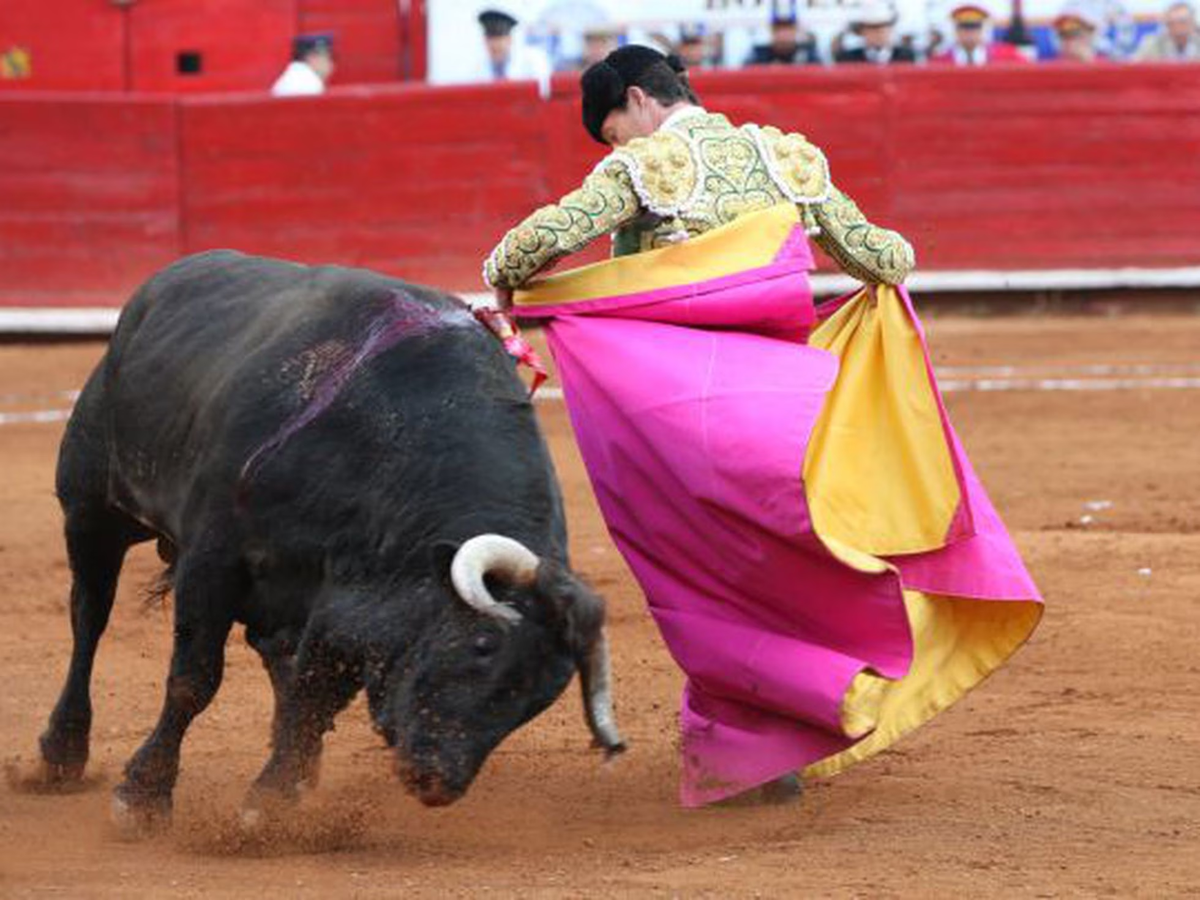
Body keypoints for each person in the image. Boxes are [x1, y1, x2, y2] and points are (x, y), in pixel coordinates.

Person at [481, 45, 1042, 807]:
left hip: (684, 422)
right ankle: (787, 730)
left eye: (614, 131)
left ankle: (758, 747)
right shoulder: (788, 159)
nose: (619, 147)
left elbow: (527, 248)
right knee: (781, 566)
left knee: (705, 577)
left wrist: (514, 287)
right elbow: (887, 257)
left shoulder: (649, 169)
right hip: (786, 413)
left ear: (639, 100)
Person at [472, 9, 552, 94]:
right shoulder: (476, 70)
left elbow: (544, 93)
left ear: (509, 40)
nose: (494, 45)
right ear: (485, 41)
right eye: (490, 40)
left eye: (499, 40)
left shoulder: (533, 60)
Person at [930, 4, 1029, 64]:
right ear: (956, 31)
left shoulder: (1007, 56)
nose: (969, 33)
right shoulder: (940, 61)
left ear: (983, 30)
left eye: (974, 27)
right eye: (964, 27)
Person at [835, 3, 917, 63]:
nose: (877, 33)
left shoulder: (906, 56)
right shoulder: (849, 58)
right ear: (863, 31)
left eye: (882, 27)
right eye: (871, 28)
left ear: (890, 29)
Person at [745, 11, 821, 65]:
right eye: (779, 29)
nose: (783, 33)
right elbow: (745, 76)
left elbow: (821, 76)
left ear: (795, 31)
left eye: (788, 28)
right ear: (772, 32)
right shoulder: (759, 54)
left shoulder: (808, 52)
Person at [270, 33, 334, 97]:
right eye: (328, 58)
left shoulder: (296, 74)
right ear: (313, 57)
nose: (331, 64)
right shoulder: (309, 83)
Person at [1133, 1, 1200, 60]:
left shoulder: (1197, 42)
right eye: (1171, 23)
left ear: (1192, 23)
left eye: (1182, 22)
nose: (1177, 27)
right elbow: (1134, 67)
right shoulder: (1152, 43)